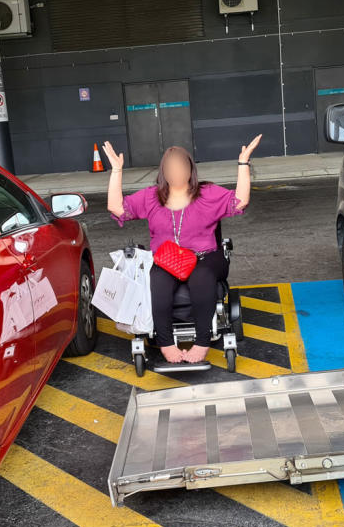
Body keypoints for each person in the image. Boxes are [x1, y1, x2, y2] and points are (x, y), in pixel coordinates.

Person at [103, 136, 262, 364]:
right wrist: (117, 170)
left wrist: (243, 163)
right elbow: (116, 208)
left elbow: (240, 201)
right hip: (168, 260)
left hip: (205, 257)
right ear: (163, 172)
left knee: (202, 277)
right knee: (157, 280)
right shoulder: (151, 197)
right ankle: (166, 343)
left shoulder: (207, 193)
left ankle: (202, 342)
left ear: (190, 169)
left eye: (181, 167)